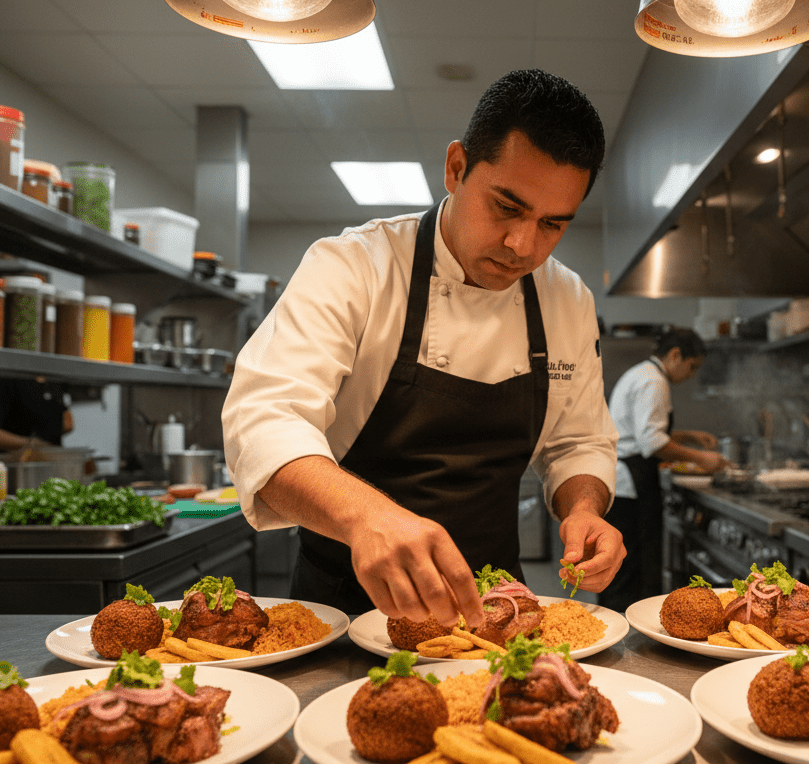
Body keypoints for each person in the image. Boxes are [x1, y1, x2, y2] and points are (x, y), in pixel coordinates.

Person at [222, 69, 624, 628]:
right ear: (456, 168)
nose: (522, 245)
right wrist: (365, 516)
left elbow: (578, 440)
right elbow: (263, 418)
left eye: (553, 224)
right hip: (343, 607)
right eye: (507, 207)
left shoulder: (566, 299)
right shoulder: (354, 266)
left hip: (498, 615)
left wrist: (584, 509)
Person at [597, 327, 729, 611]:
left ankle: (617, 623)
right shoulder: (654, 382)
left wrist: (690, 435)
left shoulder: (642, 374)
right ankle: (629, 633)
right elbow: (652, 442)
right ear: (675, 355)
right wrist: (701, 458)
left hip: (623, 482)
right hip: (631, 484)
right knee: (634, 566)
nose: (691, 375)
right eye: (691, 367)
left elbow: (640, 430)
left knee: (621, 566)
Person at [0, 376, 73, 451]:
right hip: (5, 470)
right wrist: (33, 444)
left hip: (48, 468)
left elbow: (68, 423)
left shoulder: (54, 377)